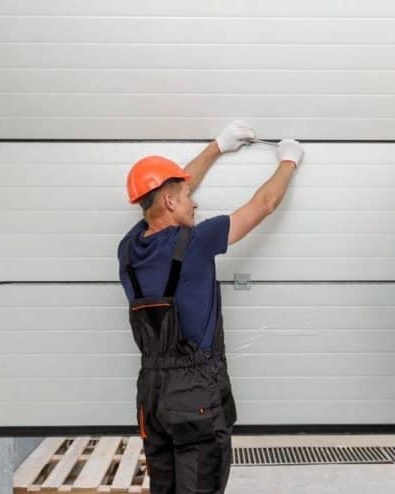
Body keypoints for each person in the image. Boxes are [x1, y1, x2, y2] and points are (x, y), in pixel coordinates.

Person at [118, 121, 303, 494]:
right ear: (170, 202)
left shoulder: (129, 248)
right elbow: (264, 204)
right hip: (195, 394)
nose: (195, 201)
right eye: (186, 197)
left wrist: (217, 147)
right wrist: (289, 161)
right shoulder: (197, 242)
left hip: (152, 395)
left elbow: (172, 192)